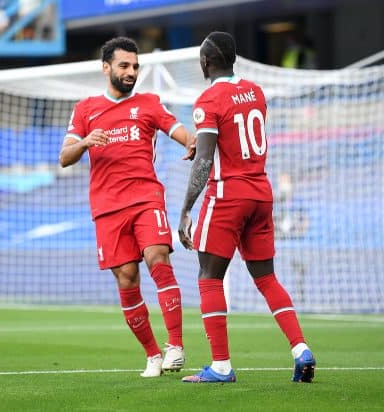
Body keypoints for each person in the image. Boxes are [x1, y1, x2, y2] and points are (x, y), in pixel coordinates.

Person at [177, 31, 316, 383]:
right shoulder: (255, 92)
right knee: (267, 277)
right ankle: (301, 349)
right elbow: (236, 135)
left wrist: (185, 210)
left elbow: (205, 160)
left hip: (228, 195)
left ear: (205, 62)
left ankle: (221, 366)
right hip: (260, 192)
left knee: (209, 277)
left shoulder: (208, 99)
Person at [59, 37, 196, 378]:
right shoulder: (85, 109)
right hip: (107, 208)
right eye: (124, 66)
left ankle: (175, 345)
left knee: (157, 259)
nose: (131, 72)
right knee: (127, 278)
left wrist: (194, 141)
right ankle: (152, 354)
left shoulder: (149, 103)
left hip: (146, 197)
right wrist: (86, 141)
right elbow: (64, 157)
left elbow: (176, 128)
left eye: (135, 66)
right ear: (106, 68)